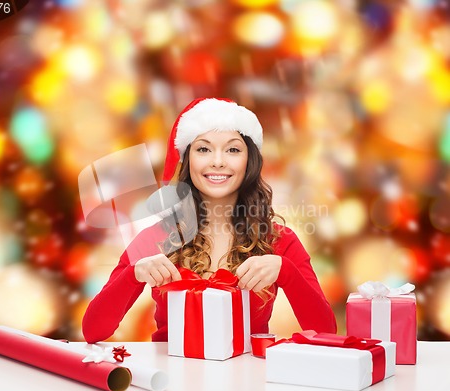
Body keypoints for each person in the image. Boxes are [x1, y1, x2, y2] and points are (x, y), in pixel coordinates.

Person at [82, 97, 337, 343]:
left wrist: (286, 272)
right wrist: (133, 275)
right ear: (187, 159)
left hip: (247, 382)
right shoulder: (155, 237)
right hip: (172, 381)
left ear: (249, 161)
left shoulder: (279, 240)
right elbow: (93, 330)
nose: (217, 161)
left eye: (233, 149)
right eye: (204, 149)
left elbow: (326, 330)